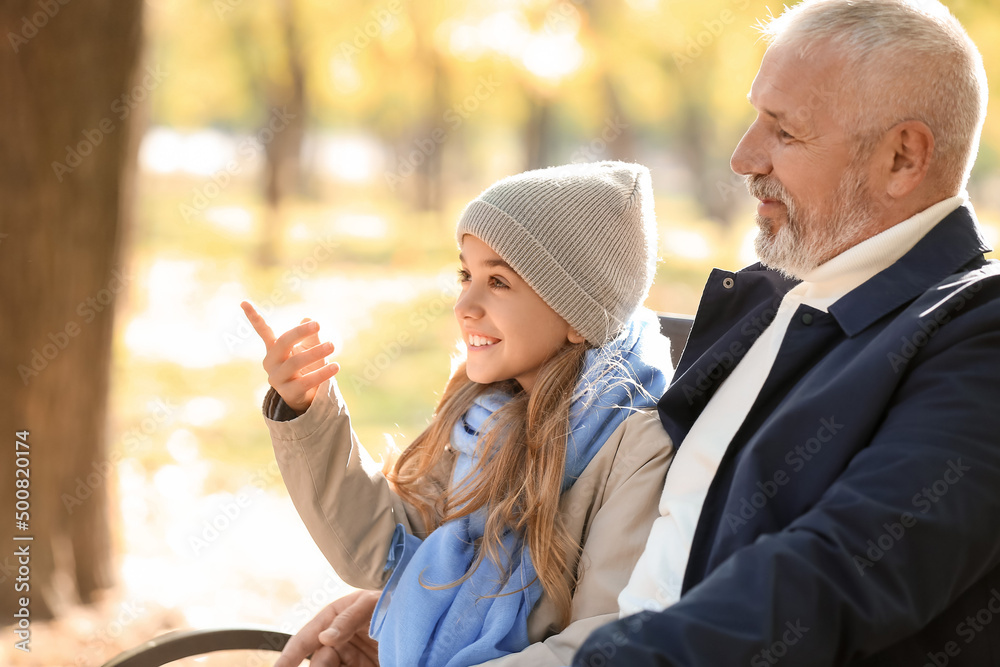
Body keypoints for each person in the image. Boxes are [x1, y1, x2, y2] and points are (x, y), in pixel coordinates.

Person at [574, 0, 1000, 664]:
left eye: (785, 131)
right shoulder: (772, 299)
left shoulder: (977, 335)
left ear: (902, 157)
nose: (744, 158)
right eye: (754, 118)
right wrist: (456, 603)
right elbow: (652, 521)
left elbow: (836, 571)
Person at [242, 161, 677, 666]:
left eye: (499, 282)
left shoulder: (636, 442)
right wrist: (307, 409)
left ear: (577, 318)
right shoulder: (484, 409)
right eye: (466, 274)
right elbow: (381, 549)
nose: (464, 304)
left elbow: (602, 641)